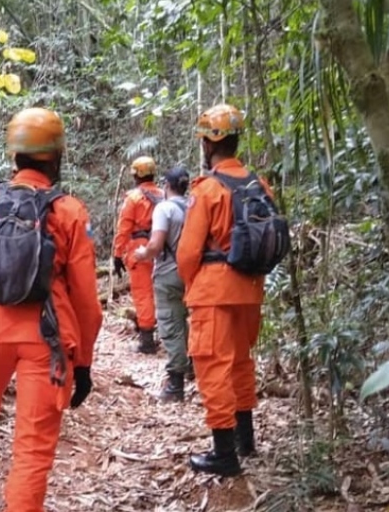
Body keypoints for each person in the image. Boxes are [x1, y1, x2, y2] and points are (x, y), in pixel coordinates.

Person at [0, 107, 103, 512]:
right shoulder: (69, 211)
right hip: (46, 337)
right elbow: (87, 301)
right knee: (33, 443)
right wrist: (83, 362)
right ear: (56, 155)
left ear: (14, 154)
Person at [176, 103, 271, 476]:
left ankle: (224, 453)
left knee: (213, 366)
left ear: (208, 143)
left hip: (214, 292)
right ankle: (245, 440)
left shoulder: (209, 190)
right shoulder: (259, 184)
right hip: (251, 288)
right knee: (241, 361)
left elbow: (187, 252)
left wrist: (191, 285)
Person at [134, 166, 194, 402]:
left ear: (167, 186)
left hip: (168, 273)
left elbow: (156, 244)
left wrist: (142, 253)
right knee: (186, 322)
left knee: (170, 324)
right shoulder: (192, 207)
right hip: (192, 274)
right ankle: (191, 366)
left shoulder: (164, 209)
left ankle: (175, 383)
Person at [112, 156, 165, 354]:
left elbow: (123, 228)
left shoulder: (134, 198)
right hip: (161, 248)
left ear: (137, 175)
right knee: (160, 293)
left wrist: (117, 254)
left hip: (140, 249)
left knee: (143, 294)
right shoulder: (162, 195)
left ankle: (147, 340)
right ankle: (164, 334)